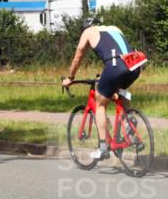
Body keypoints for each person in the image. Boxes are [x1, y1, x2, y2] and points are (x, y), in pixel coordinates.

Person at [62, 16, 148, 160]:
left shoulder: (88, 32)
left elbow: (77, 58)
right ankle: (129, 120)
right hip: (135, 65)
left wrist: (70, 78)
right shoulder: (114, 28)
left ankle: (103, 148)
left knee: (100, 104)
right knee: (120, 93)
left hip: (115, 65)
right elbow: (118, 51)